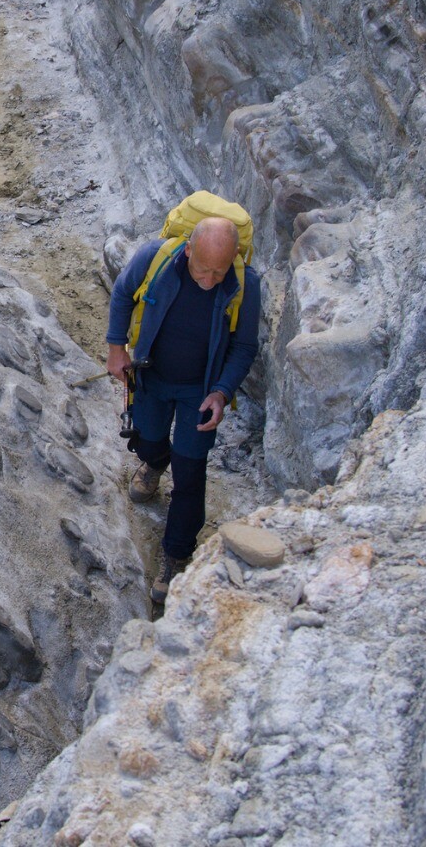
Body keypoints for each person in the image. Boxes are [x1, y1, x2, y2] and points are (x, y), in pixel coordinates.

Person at [105, 214, 260, 604]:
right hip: (152, 377)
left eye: (218, 273)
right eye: (202, 270)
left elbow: (244, 346)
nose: (209, 280)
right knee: (147, 439)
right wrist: (115, 348)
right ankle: (155, 463)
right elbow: (124, 292)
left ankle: (176, 553)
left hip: (199, 392)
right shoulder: (156, 259)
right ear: (188, 250)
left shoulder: (246, 283)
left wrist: (221, 393)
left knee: (190, 475)